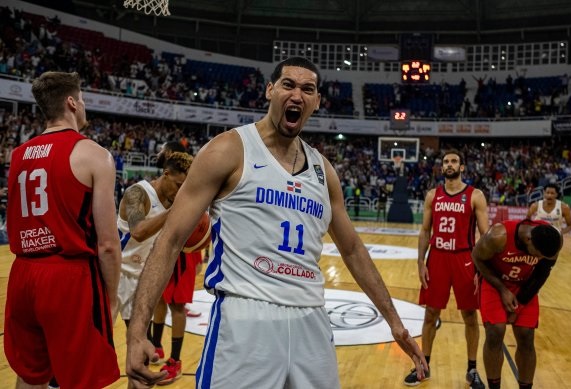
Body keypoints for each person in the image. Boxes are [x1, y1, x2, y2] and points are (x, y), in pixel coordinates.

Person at [125, 57, 427, 388]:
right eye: (288, 85)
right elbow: (168, 240)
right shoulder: (229, 150)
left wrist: (396, 323)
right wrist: (137, 331)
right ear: (270, 90)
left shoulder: (323, 170)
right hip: (245, 317)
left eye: (307, 89)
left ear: (316, 101)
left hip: (311, 318)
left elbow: (353, 249)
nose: (297, 94)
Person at [4, 71, 122, 388]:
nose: (83, 105)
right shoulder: (95, 155)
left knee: (30, 374)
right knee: (83, 379)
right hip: (68, 278)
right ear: (71, 102)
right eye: (81, 98)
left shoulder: (17, 156)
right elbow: (108, 244)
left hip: (23, 274)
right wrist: (112, 299)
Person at [404, 149, 489, 388]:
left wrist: (481, 268)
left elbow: (486, 236)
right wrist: (421, 262)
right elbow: (424, 231)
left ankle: (472, 370)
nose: (449, 165)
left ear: (462, 167)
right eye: (446, 162)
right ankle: (424, 365)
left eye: (454, 161)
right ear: (442, 168)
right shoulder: (433, 195)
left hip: (465, 259)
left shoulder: (475, 196)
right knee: (431, 313)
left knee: (470, 315)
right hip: (438, 258)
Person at [116, 150, 192, 385]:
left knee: (140, 354)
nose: (181, 191)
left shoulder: (172, 200)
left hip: (139, 282)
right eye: (179, 184)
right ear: (166, 174)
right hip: (112, 275)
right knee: (89, 344)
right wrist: (174, 213)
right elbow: (138, 231)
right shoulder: (137, 192)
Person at [472, 219, 563, 389]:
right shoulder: (498, 236)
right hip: (495, 282)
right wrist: (501, 289)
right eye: (537, 254)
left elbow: (540, 276)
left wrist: (519, 304)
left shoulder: (554, 241)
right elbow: (477, 257)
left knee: (526, 336)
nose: (538, 259)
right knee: (495, 332)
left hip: (525, 285)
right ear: (528, 239)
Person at [150, 141, 204, 385]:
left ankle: (176, 360)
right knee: (160, 298)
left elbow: (204, 224)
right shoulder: (161, 187)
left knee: (177, 306)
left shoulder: (192, 187)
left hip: (185, 251)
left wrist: (201, 254)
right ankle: (156, 344)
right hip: (164, 247)